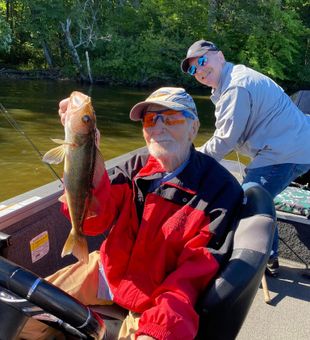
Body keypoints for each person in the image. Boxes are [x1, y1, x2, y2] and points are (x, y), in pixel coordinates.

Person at [19, 87, 243, 340]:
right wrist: (89, 153)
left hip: (156, 297)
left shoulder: (221, 190)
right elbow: (95, 222)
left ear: (194, 128)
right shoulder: (135, 167)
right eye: (150, 120)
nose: (158, 127)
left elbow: (193, 277)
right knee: (19, 315)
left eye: (171, 118)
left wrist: (160, 328)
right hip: (108, 270)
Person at [180, 39, 310, 276]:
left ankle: (259, 260)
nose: (198, 70)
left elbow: (224, 140)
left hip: (285, 152)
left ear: (219, 56)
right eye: (192, 69)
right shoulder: (229, 81)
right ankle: (269, 258)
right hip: (287, 147)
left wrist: (191, 160)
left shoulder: (235, 87)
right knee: (261, 198)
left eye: (201, 60)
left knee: (249, 201)